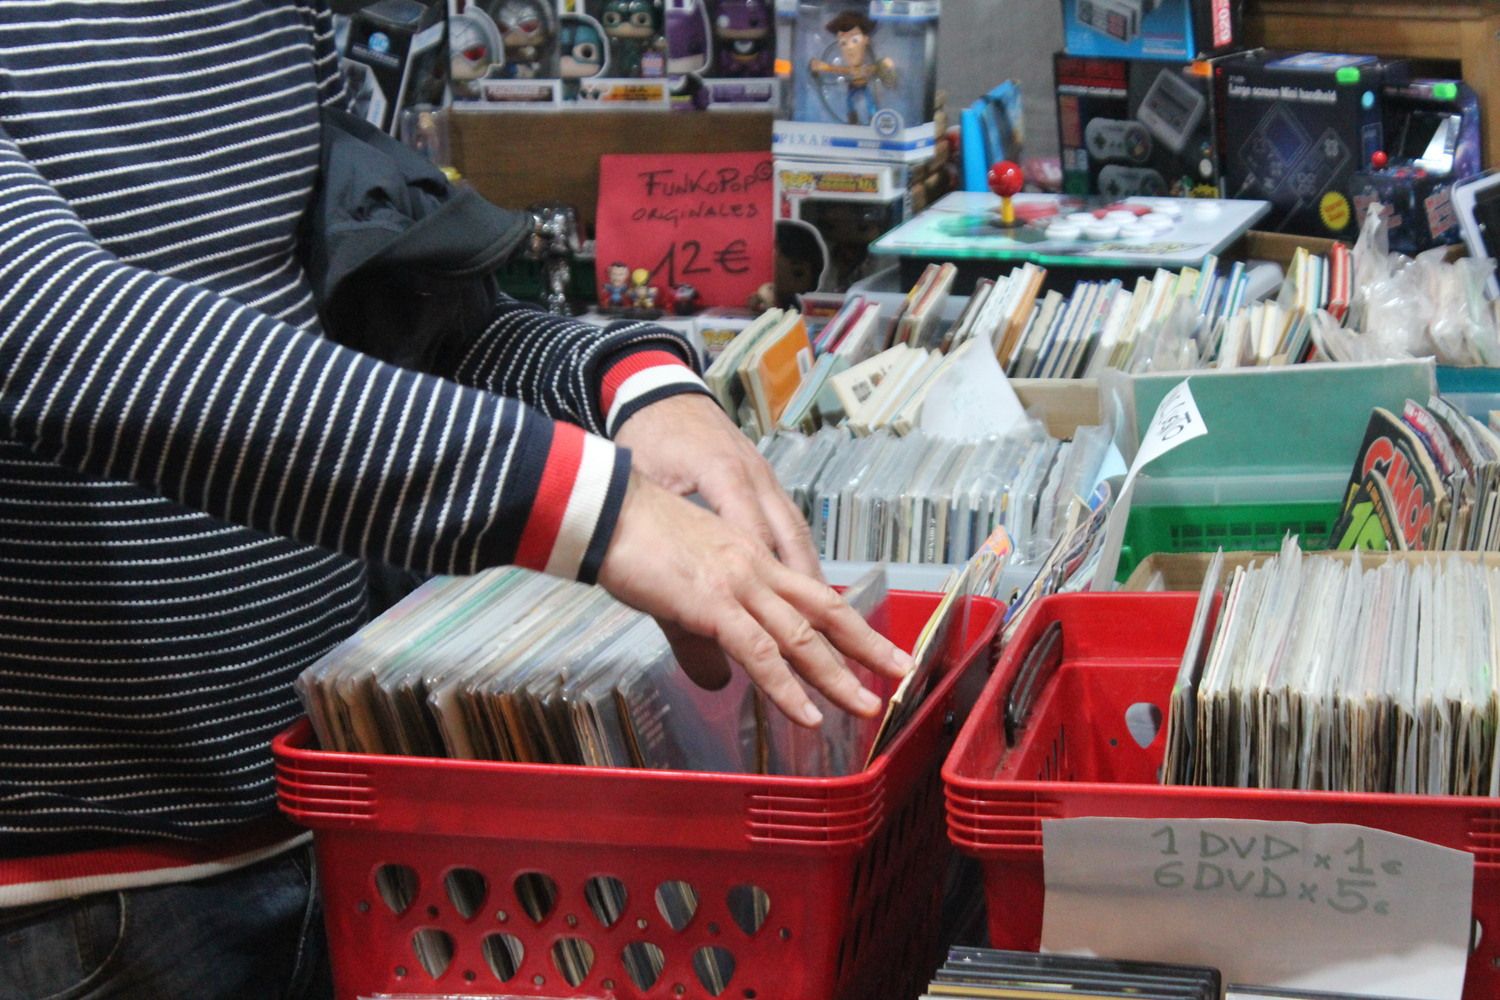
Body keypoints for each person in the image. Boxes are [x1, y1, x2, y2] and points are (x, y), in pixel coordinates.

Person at [0, 4, 910, 998]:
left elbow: (392, 316)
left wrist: (640, 385)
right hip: (84, 898)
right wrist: (597, 509)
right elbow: (56, 334)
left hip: (346, 818)